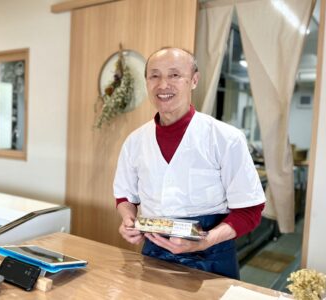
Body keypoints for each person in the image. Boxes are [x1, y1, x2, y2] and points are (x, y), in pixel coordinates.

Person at [114, 47, 266, 279]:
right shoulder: (135, 141)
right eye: (154, 75)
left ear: (193, 80)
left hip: (212, 258)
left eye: (174, 75)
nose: (163, 84)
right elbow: (125, 196)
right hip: (153, 253)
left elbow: (250, 211)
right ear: (147, 82)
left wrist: (204, 242)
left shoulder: (225, 138)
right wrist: (128, 219)